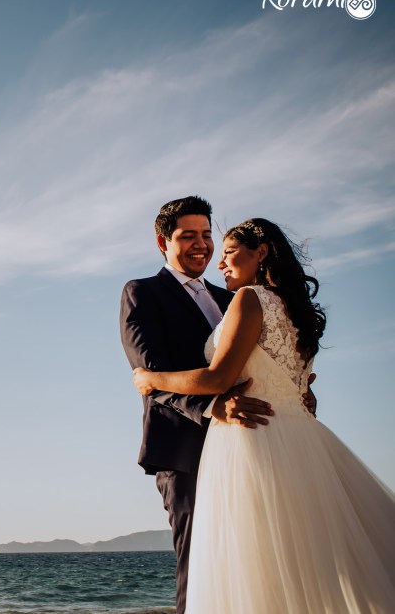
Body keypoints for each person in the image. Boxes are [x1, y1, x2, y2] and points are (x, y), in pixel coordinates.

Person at [133, 218, 395, 613]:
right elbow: (295, 381)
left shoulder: (249, 298)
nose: (221, 262)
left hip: (251, 438)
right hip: (301, 439)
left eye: (229, 252)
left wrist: (150, 378)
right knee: (307, 558)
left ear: (262, 252)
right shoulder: (295, 309)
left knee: (254, 560)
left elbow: (218, 377)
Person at [119, 196, 291, 613]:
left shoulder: (235, 294)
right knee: (199, 567)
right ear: (163, 242)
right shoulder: (142, 293)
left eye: (206, 235)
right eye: (188, 236)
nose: (201, 245)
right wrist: (211, 408)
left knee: (258, 560)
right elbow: (151, 377)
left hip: (252, 443)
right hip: (185, 449)